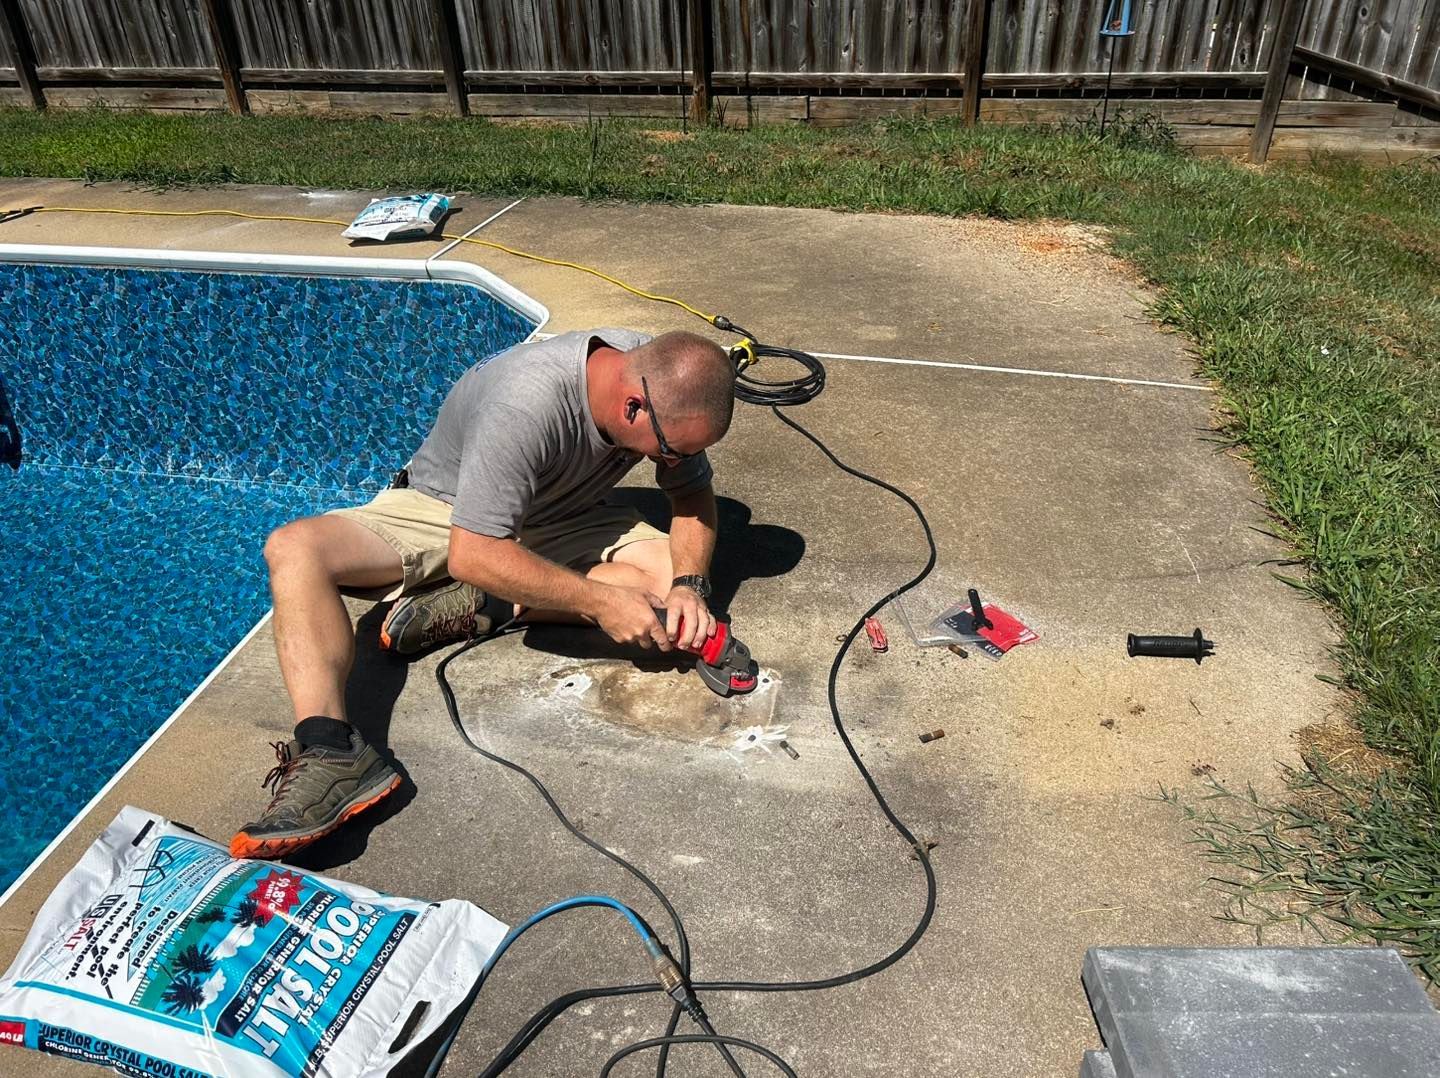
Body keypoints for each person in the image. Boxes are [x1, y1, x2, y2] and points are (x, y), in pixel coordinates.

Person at [230, 328, 737, 859]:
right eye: (673, 451)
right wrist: (598, 600)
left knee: (666, 598)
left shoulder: (661, 375)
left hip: (562, 512)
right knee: (294, 549)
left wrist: (690, 585)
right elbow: (474, 552)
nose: (676, 462)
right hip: (450, 511)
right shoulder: (525, 402)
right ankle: (332, 750)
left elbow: (691, 494)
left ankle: (492, 602)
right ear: (633, 406)